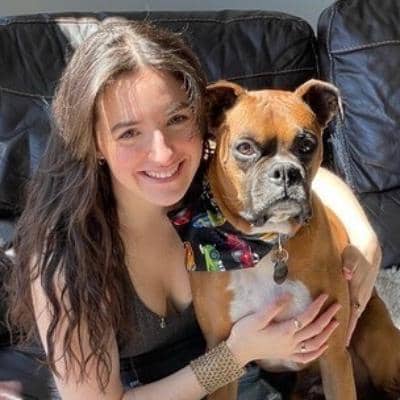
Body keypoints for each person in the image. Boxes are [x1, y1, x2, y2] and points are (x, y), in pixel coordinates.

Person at [5, 21, 380, 400]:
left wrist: (365, 240)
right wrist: (236, 354)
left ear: (202, 119)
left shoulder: (206, 179)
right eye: (129, 132)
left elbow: (295, 175)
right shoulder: (64, 257)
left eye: (177, 119)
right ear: (95, 141)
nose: (163, 153)